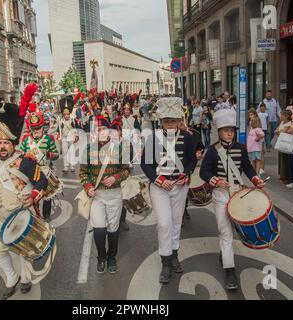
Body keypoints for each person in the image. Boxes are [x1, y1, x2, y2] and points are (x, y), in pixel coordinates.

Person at [0, 101, 48, 299]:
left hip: (21, 213)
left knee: (23, 251)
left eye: (6, 143)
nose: (2, 146)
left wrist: (33, 197)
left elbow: (41, 181)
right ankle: (11, 276)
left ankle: (24, 278)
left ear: (13, 144)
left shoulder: (26, 160)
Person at [200, 108, 264, 290]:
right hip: (220, 195)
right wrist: (216, 180)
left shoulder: (241, 148)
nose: (230, 133)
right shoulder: (212, 151)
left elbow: (248, 168)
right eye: (226, 130)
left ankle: (224, 252)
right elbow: (204, 171)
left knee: (238, 229)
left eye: (232, 130)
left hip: (238, 194)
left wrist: (255, 179)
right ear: (219, 131)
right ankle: (230, 270)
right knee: (225, 232)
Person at [141, 97, 197, 284]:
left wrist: (186, 173)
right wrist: (158, 179)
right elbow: (146, 164)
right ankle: (165, 261)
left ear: (179, 120)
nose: (170, 124)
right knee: (164, 223)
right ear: (161, 121)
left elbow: (191, 160)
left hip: (180, 186)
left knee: (175, 223)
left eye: (173, 120)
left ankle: (174, 255)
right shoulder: (152, 138)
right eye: (167, 121)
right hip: (159, 187)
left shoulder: (189, 138)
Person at [79, 115, 130, 274]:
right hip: (97, 196)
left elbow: (126, 170)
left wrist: (116, 177)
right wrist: (88, 187)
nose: (101, 132)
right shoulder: (88, 150)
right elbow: (83, 172)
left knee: (113, 229)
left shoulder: (119, 148)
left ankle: (112, 257)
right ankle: (101, 257)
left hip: (114, 194)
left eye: (103, 129)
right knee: (99, 229)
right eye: (98, 129)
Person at [20, 110, 59, 221]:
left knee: (46, 197)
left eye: (38, 127)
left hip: (45, 172)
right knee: (32, 198)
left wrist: (48, 154)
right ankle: (35, 219)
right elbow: (21, 156)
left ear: (42, 126)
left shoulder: (48, 139)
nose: (36, 130)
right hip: (30, 174)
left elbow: (56, 155)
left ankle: (46, 217)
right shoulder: (26, 140)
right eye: (33, 128)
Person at [275, 110, 293, 184]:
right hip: (281, 143)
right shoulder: (282, 122)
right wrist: (279, 131)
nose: (280, 116)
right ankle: (281, 175)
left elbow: (282, 131)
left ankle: (285, 176)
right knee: (280, 159)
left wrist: (279, 131)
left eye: (282, 115)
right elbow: (277, 130)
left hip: (286, 144)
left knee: (285, 160)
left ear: (286, 116)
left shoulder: (289, 124)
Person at [60, 108, 78, 173]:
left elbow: (76, 128)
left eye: (67, 114)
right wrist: (59, 137)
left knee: (72, 152)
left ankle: (72, 166)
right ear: (63, 115)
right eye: (65, 115)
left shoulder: (73, 120)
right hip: (64, 138)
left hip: (71, 137)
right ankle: (65, 166)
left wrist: (76, 136)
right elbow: (58, 129)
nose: (66, 116)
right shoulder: (61, 121)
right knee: (65, 152)